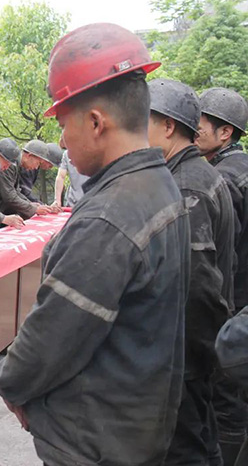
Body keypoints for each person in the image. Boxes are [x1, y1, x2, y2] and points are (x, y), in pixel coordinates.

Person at [0, 23, 190, 465]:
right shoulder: (159, 186)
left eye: (64, 124)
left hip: (96, 439)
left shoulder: (108, 217)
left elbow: (54, 333)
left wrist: (11, 383)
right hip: (138, 423)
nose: (62, 140)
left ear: (96, 123)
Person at [147, 78, 234, 465]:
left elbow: (197, 288)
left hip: (185, 360)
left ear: (168, 126)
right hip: (195, 356)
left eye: (142, 122)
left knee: (185, 451)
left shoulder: (186, 189)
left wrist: (187, 364)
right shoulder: (196, 175)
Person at [195, 87, 248, 466]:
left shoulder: (223, 180)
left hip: (232, 304)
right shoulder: (237, 168)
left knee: (226, 403)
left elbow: (217, 257)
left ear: (225, 132)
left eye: (197, 126)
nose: (189, 131)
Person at [0, 139, 55, 219]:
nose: (36, 167)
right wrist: (34, 209)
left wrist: (30, 204)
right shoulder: (9, 164)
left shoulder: (16, 165)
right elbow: (9, 195)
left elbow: (16, 191)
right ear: (29, 156)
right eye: (38, 163)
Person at [52, 144, 89, 208]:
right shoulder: (67, 154)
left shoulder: (97, 153)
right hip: (72, 201)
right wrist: (57, 200)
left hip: (92, 200)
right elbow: (61, 176)